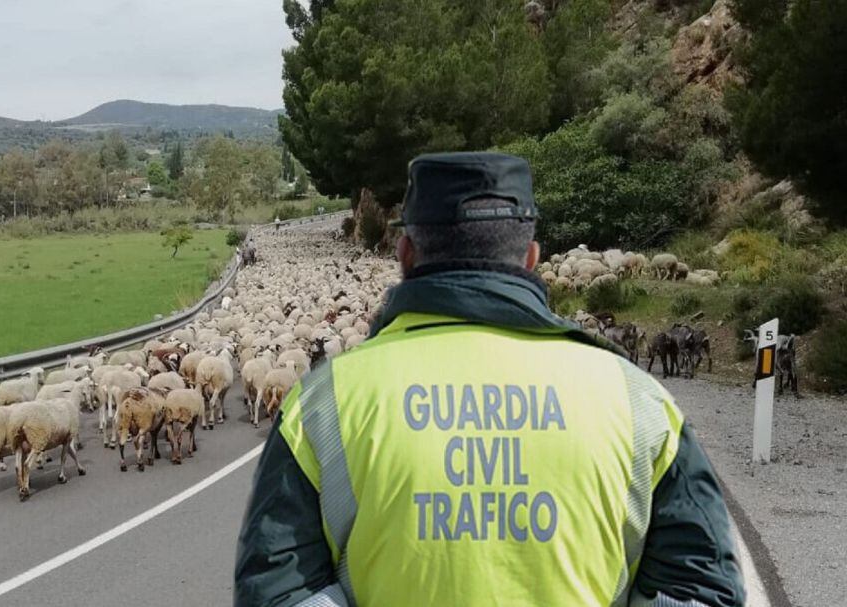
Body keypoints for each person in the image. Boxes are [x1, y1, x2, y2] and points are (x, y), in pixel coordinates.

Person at [234, 152, 744, 606]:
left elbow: (278, 589)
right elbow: (699, 586)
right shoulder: (639, 404)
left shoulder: (325, 406)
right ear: (531, 258)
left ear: (405, 255)